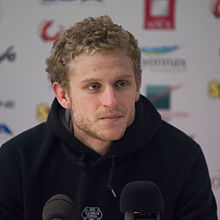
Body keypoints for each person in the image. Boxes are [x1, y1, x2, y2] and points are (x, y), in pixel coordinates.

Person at [0, 15, 217, 220]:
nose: (111, 101)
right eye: (94, 86)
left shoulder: (183, 157)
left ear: (137, 86)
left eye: (121, 84)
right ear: (63, 95)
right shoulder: (17, 161)